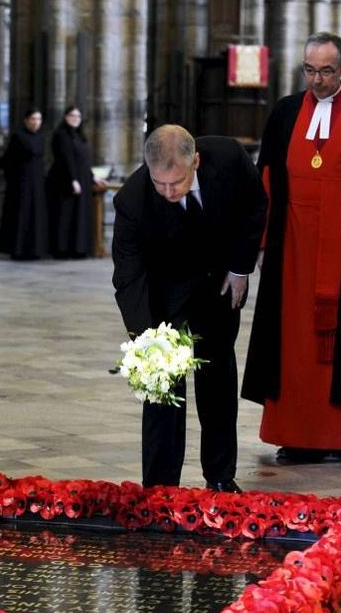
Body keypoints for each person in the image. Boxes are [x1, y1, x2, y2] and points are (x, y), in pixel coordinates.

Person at [241, 32, 341, 464]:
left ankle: (332, 438)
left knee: (339, 344)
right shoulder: (285, 112)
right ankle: (290, 434)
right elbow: (269, 180)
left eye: (327, 71)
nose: (317, 79)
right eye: (310, 70)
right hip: (291, 249)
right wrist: (258, 242)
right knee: (290, 344)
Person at [112, 125, 267, 492]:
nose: (168, 192)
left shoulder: (229, 157)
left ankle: (220, 476)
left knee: (218, 376)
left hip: (219, 283)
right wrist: (146, 341)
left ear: (195, 162)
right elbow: (129, 277)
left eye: (177, 183)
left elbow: (255, 206)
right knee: (164, 386)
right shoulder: (133, 201)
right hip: (166, 292)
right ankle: (161, 487)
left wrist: (240, 267)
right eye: (159, 183)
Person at [47, 106, 105, 258]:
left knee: (80, 215)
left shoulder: (80, 136)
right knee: (66, 215)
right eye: (72, 116)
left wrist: (93, 176)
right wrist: (72, 179)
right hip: (66, 180)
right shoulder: (61, 135)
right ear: (66, 117)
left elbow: (84, 161)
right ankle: (63, 250)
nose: (75, 119)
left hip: (82, 179)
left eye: (78, 117)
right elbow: (65, 159)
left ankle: (78, 249)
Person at [0, 108, 48, 260]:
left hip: (37, 183)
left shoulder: (40, 137)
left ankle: (36, 250)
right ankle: (19, 250)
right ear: (26, 120)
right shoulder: (18, 137)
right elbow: (9, 161)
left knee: (35, 216)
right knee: (21, 216)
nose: (36, 122)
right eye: (33, 119)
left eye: (38, 119)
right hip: (21, 183)